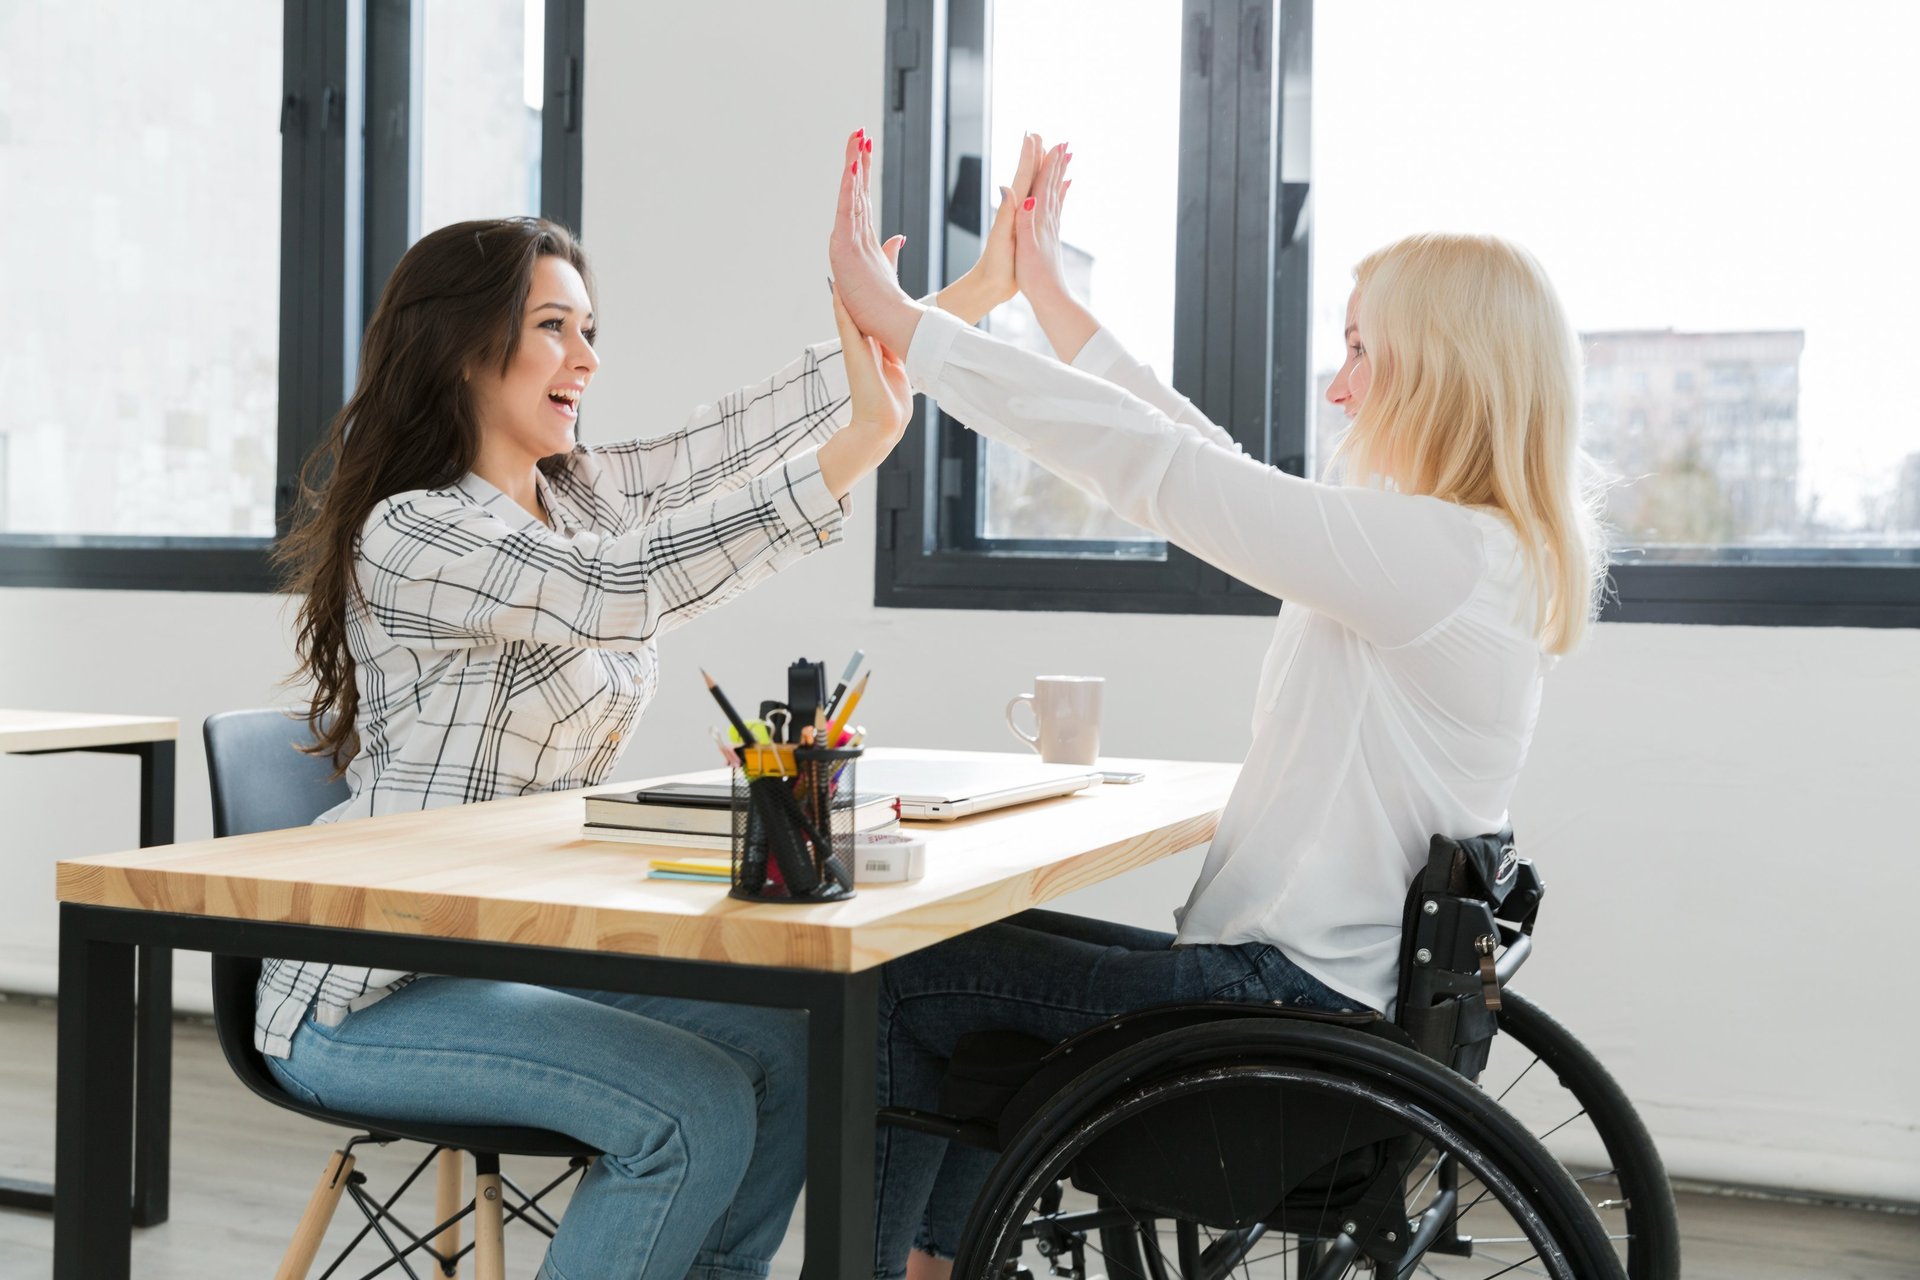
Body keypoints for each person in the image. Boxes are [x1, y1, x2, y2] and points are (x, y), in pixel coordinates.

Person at [827, 130, 1605, 1278]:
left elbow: (1166, 472)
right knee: (951, 944)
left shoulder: (1432, 553)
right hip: (1325, 1002)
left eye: (1360, 353)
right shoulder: (1478, 552)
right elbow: (1200, 455)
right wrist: (1048, 299)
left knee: (894, 978)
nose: (1339, 387)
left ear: (1443, 369)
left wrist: (907, 329)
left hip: (1270, 1007)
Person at [262, 146, 1032, 1280]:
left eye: (589, 328)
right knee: (689, 1108)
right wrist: (859, 452)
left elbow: (740, 431)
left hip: (512, 946)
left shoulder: (576, 491)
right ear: (466, 347)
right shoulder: (416, 531)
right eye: (555, 328)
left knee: (790, 1040)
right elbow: (618, 592)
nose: (589, 356)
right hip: (375, 986)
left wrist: (950, 310)